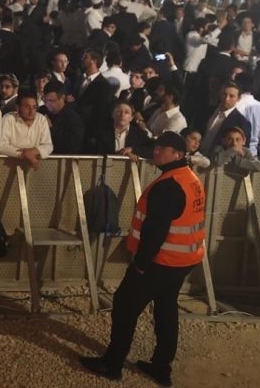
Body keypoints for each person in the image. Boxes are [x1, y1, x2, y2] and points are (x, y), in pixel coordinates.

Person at [79, 130, 205, 385]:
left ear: (177, 154)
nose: (156, 151)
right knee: (166, 309)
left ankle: (112, 364)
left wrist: (140, 264)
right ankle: (161, 367)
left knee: (125, 306)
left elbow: (155, 231)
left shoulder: (168, 185)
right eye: (156, 147)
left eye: (162, 149)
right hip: (184, 260)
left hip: (160, 261)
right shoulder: (189, 178)